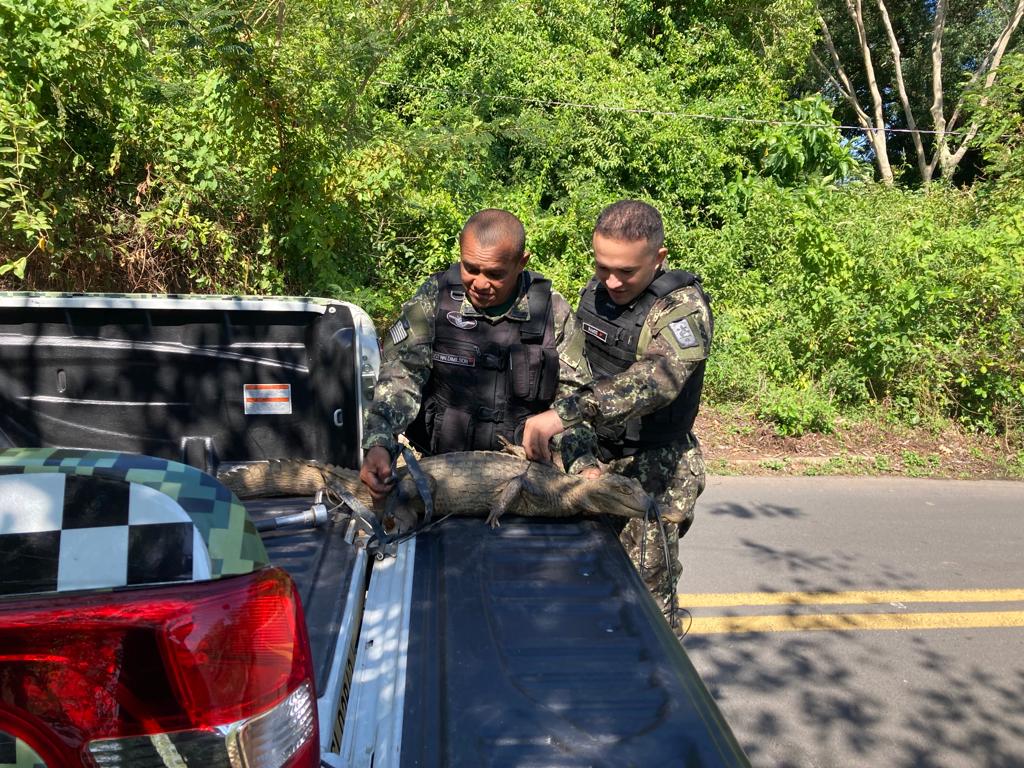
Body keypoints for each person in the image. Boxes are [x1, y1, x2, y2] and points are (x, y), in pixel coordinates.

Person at [521, 200, 713, 616]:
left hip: (653, 471)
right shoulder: (597, 292)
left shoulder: (681, 309)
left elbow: (657, 380)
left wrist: (570, 412)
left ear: (659, 258)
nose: (611, 280)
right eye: (601, 266)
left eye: (626, 271)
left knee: (646, 605)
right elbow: (576, 366)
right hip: (590, 455)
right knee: (581, 586)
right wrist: (576, 442)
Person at [360, 208, 596, 502]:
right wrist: (379, 444)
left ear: (522, 262)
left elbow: (575, 402)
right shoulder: (436, 298)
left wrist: (583, 466)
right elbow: (401, 378)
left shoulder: (552, 312)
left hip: (525, 478)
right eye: (470, 268)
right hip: (441, 473)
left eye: (495, 274)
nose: (480, 284)